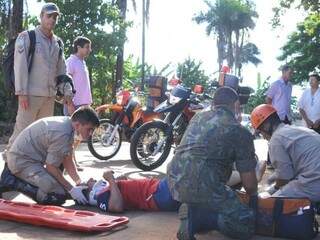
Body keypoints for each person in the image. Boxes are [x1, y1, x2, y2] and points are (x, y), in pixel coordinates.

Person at [167, 87, 258, 240]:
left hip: (174, 180)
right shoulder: (240, 131)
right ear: (236, 105)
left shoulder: (197, 118)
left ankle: (193, 211)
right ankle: (199, 218)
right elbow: (249, 186)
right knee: (247, 224)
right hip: (203, 185)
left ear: (214, 103)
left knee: (219, 182)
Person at [0, 107, 99, 205]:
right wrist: (71, 189)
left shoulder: (68, 126)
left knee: (64, 190)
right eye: (89, 129)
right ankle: (11, 181)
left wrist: (78, 183)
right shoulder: (63, 133)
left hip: (28, 159)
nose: (90, 134)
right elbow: (51, 167)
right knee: (56, 196)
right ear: (78, 125)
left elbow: (67, 159)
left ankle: (44, 182)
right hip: (21, 162)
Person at [85, 161, 266, 213]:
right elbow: (116, 207)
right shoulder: (101, 196)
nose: (90, 179)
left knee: (200, 184)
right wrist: (111, 181)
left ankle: (240, 181)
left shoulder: (109, 188)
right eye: (87, 183)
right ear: (90, 191)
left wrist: (117, 180)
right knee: (191, 173)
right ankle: (248, 177)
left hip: (158, 191)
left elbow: (124, 195)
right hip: (158, 195)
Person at [5, 2, 66, 155]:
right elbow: (20, 66)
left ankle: (31, 169)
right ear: (41, 17)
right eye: (49, 16)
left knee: (42, 136)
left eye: (55, 17)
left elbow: (61, 70)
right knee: (21, 132)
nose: (52, 19)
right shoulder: (27, 37)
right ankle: (9, 166)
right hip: (30, 95)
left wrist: (66, 91)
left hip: (49, 97)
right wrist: (22, 93)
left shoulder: (58, 42)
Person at [251, 104, 320, 202]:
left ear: (266, 126)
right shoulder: (296, 129)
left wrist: (273, 190)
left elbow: (285, 177)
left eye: (260, 131)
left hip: (313, 184)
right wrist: (274, 177)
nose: (262, 135)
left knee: (268, 202)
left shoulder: (276, 139)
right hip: (314, 176)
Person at [64, 36, 93, 116]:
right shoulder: (71, 61)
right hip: (74, 105)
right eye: (87, 47)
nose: (90, 50)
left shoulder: (82, 62)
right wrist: (70, 104)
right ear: (79, 47)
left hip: (84, 105)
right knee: (72, 128)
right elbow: (66, 83)